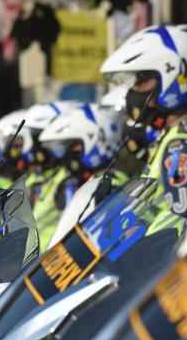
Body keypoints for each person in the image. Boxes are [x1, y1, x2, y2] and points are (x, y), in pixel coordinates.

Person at [101, 24, 187, 235]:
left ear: (173, 76)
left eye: (141, 80)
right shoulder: (173, 136)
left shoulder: (182, 145)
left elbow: (185, 224)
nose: (134, 92)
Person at [37, 101, 128, 251]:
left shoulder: (111, 184)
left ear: (96, 139)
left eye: (72, 146)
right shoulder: (77, 183)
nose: (67, 154)